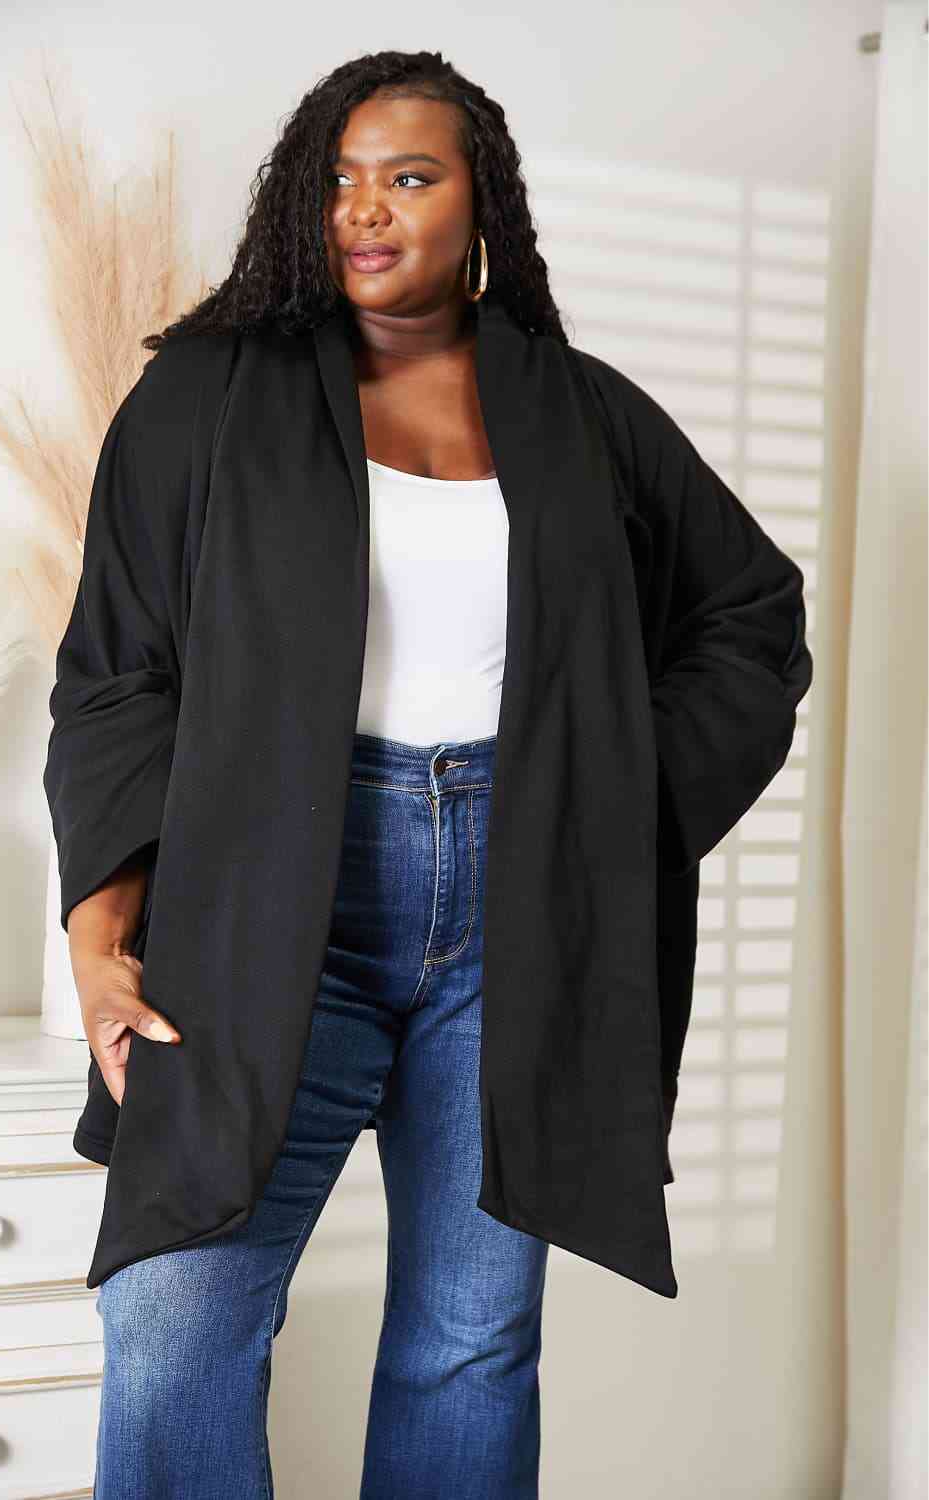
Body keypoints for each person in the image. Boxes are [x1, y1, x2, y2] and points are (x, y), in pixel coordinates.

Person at [45, 49, 812, 1500]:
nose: (365, 209)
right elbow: (116, 679)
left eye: (408, 176)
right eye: (338, 178)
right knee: (176, 1310)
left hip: (517, 910)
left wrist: (612, 809)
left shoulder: (579, 412)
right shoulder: (207, 396)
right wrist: (101, 943)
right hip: (270, 891)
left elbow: (750, 615)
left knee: (470, 1338)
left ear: (481, 205)